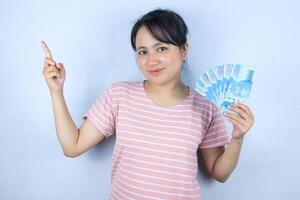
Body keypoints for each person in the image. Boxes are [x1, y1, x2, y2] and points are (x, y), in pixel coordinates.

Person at [42, 9, 254, 200]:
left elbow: (220, 173)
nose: (151, 60)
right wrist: (56, 91)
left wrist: (237, 138)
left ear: (184, 50)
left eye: (161, 48)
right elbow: (72, 147)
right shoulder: (119, 95)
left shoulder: (205, 107)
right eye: (143, 51)